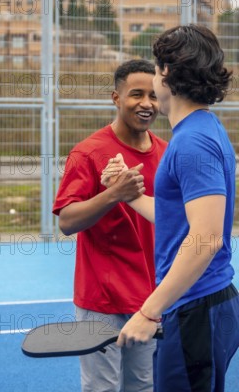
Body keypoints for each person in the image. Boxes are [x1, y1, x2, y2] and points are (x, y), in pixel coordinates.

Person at [102, 25, 239, 391]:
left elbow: (206, 237)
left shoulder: (192, 141)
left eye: (155, 68)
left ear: (166, 73)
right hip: (199, 305)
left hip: (198, 307)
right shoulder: (200, 130)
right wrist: (128, 194)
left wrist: (149, 311)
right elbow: (179, 220)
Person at [52, 59, 168, 392]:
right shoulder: (88, 153)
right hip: (101, 299)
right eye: (136, 94)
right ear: (116, 98)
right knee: (101, 388)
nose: (146, 103)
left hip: (150, 298)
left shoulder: (167, 153)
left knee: (142, 387)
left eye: (153, 95)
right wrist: (114, 194)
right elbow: (67, 222)